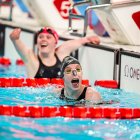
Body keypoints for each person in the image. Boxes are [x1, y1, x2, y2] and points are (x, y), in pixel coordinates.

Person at [9, 27, 100, 78]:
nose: (43, 39)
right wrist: (14, 38)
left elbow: (79, 41)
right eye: (40, 37)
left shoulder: (61, 54)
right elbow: (18, 44)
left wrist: (88, 39)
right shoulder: (32, 60)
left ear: (55, 42)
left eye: (48, 37)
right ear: (37, 43)